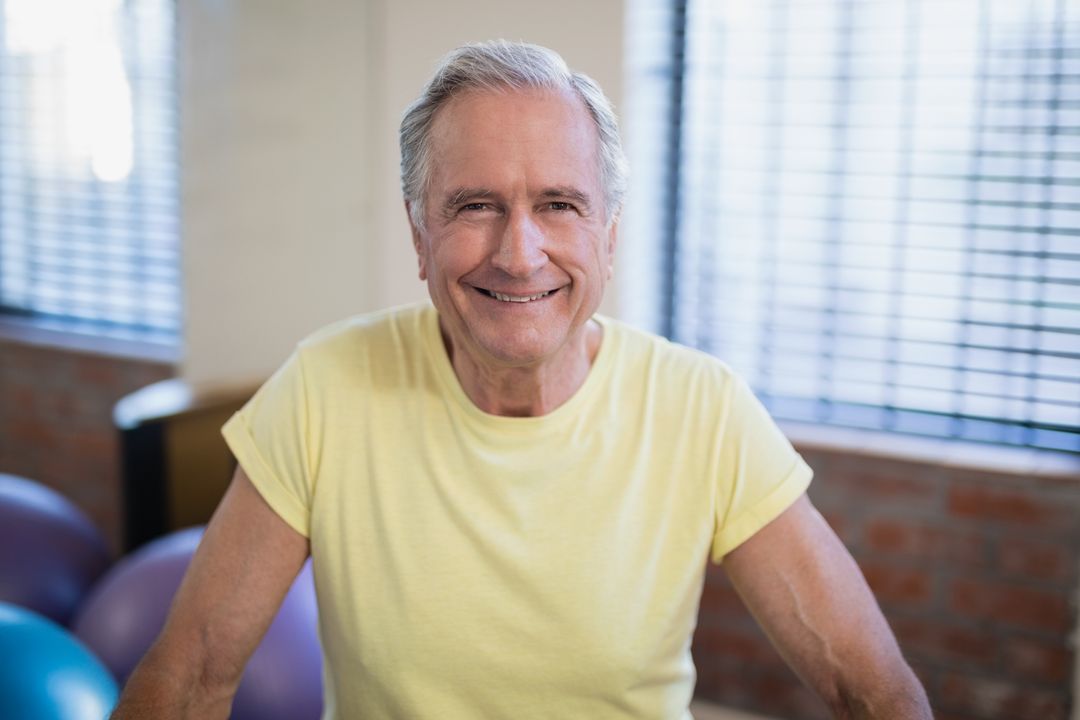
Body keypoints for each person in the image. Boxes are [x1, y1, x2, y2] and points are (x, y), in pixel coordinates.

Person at [111, 41, 932, 719]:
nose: (518, 252)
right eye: (474, 205)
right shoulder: (325, 385)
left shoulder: (701, 408)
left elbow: (871, 688)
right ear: (419, 235)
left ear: (608, 237)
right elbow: (187, 679)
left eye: (559, 205)